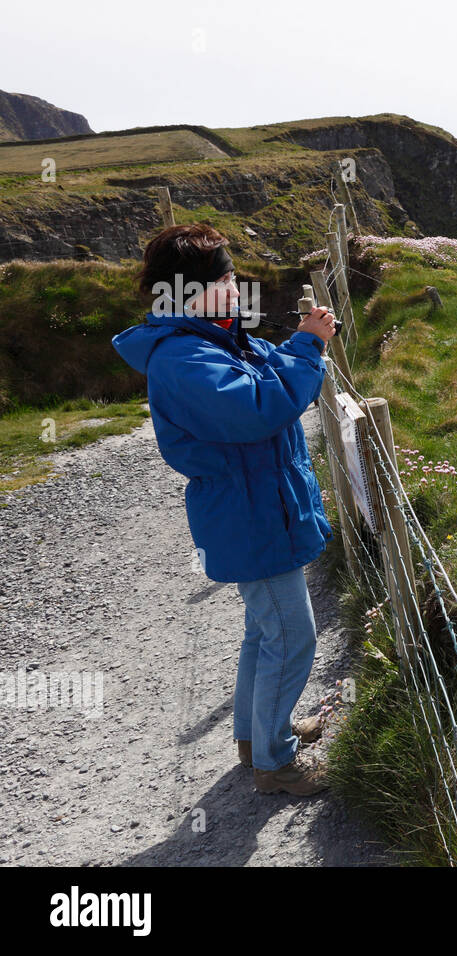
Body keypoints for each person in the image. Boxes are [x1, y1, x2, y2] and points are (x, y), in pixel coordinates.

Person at [112, 223, 338, 796]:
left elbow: (266, 368)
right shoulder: (185, 357)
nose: (238, 285)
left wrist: (303, 342)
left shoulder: (216, 336)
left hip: (258, 508)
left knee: (265, 633)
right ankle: (276, 763)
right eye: (227, 277)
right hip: (251, 516)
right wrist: (310, 346)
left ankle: (257, 736)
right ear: (195, 289)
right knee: (292, 636)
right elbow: (258, 408)